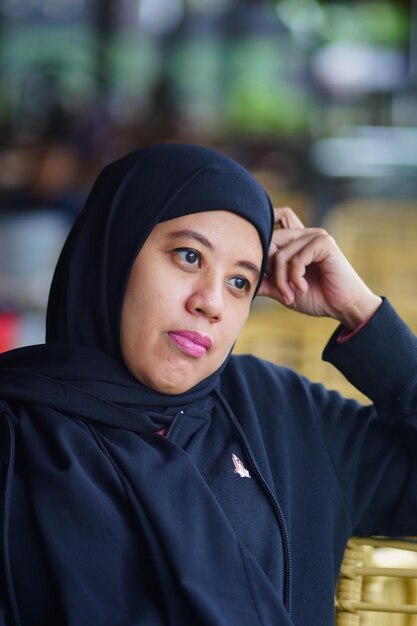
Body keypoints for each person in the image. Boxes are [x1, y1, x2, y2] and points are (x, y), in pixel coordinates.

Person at [0, 143, 416, 626]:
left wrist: (364, 314)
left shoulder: (284, 415)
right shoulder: (17, 436)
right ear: (114, 251)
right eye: (189, 256)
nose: (211, 302)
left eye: (240, 282)